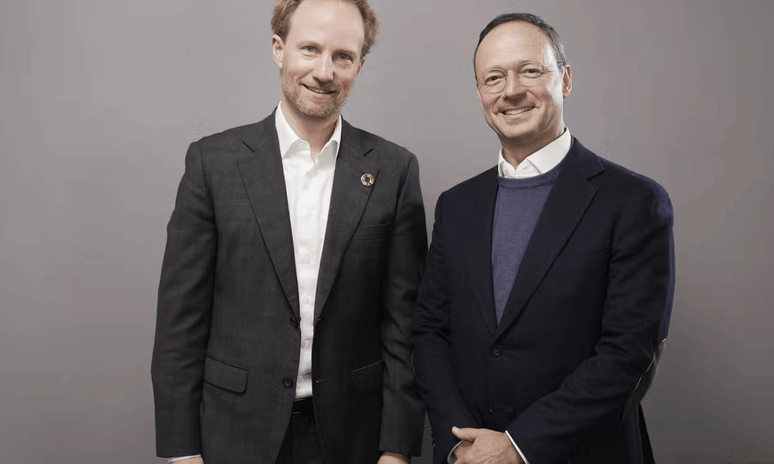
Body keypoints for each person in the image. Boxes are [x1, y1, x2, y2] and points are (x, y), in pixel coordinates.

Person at [151, 1, 426, 463]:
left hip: (353, 436)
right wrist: (182, 454)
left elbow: (403, 324)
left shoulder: (394, 169)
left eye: (343, 56)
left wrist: (396, 450)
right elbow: (180, 323)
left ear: (360, 64)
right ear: (279, 49)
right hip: (234, 433)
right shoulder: (213, 164)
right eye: (309, 49)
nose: (325, 71)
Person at [412, 13, 675, 464]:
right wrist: (460, 444)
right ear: (480, 94)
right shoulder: (455, 206)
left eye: (529, 70)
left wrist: (517, 447)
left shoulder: (634, 201)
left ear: (565, 80)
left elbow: (629, 354)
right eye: (493, 77)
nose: (511, 90)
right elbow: (430, 333)